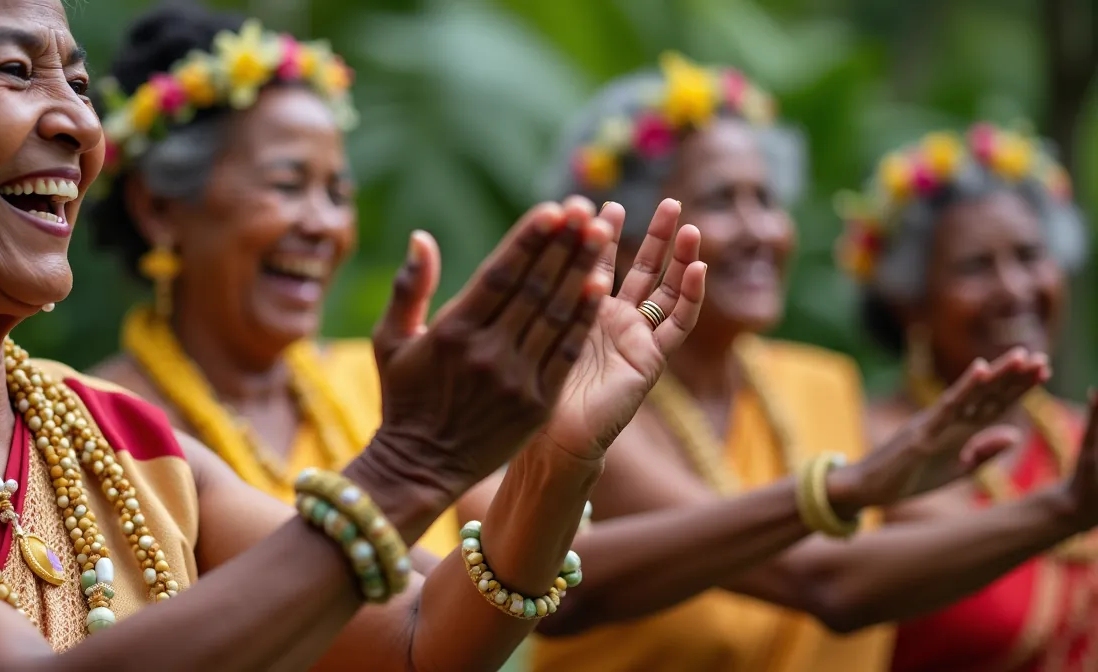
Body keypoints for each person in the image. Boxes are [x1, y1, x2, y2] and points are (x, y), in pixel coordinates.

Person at [0, 0, 719, 668]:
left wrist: (558, 459)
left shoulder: (108, 434)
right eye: (14, 71)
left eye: (78, 80)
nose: (79, 123)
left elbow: (419, 639)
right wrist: (408, 465)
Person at [460, 55, 1095, 672]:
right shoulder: (588, 409)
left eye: (766, 199)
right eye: (722, 200)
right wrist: (1062, 510)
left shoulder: (823, 383)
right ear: (628, 241)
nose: (760, 230)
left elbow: (888, 565)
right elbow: (823, 582)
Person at [84, 6, 467, 559]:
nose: (323, 225)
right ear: (159, 210)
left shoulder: (383, 383)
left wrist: (562, 448)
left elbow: (526, 559)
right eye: (287, 185)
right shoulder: (106, 430)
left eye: (338, 194)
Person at [838, 123, 1098, 671]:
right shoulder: (863, 451)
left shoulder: (1082, 440)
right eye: (976, 266)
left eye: (1029, 255)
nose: (1015, 288)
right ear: (910, 301)